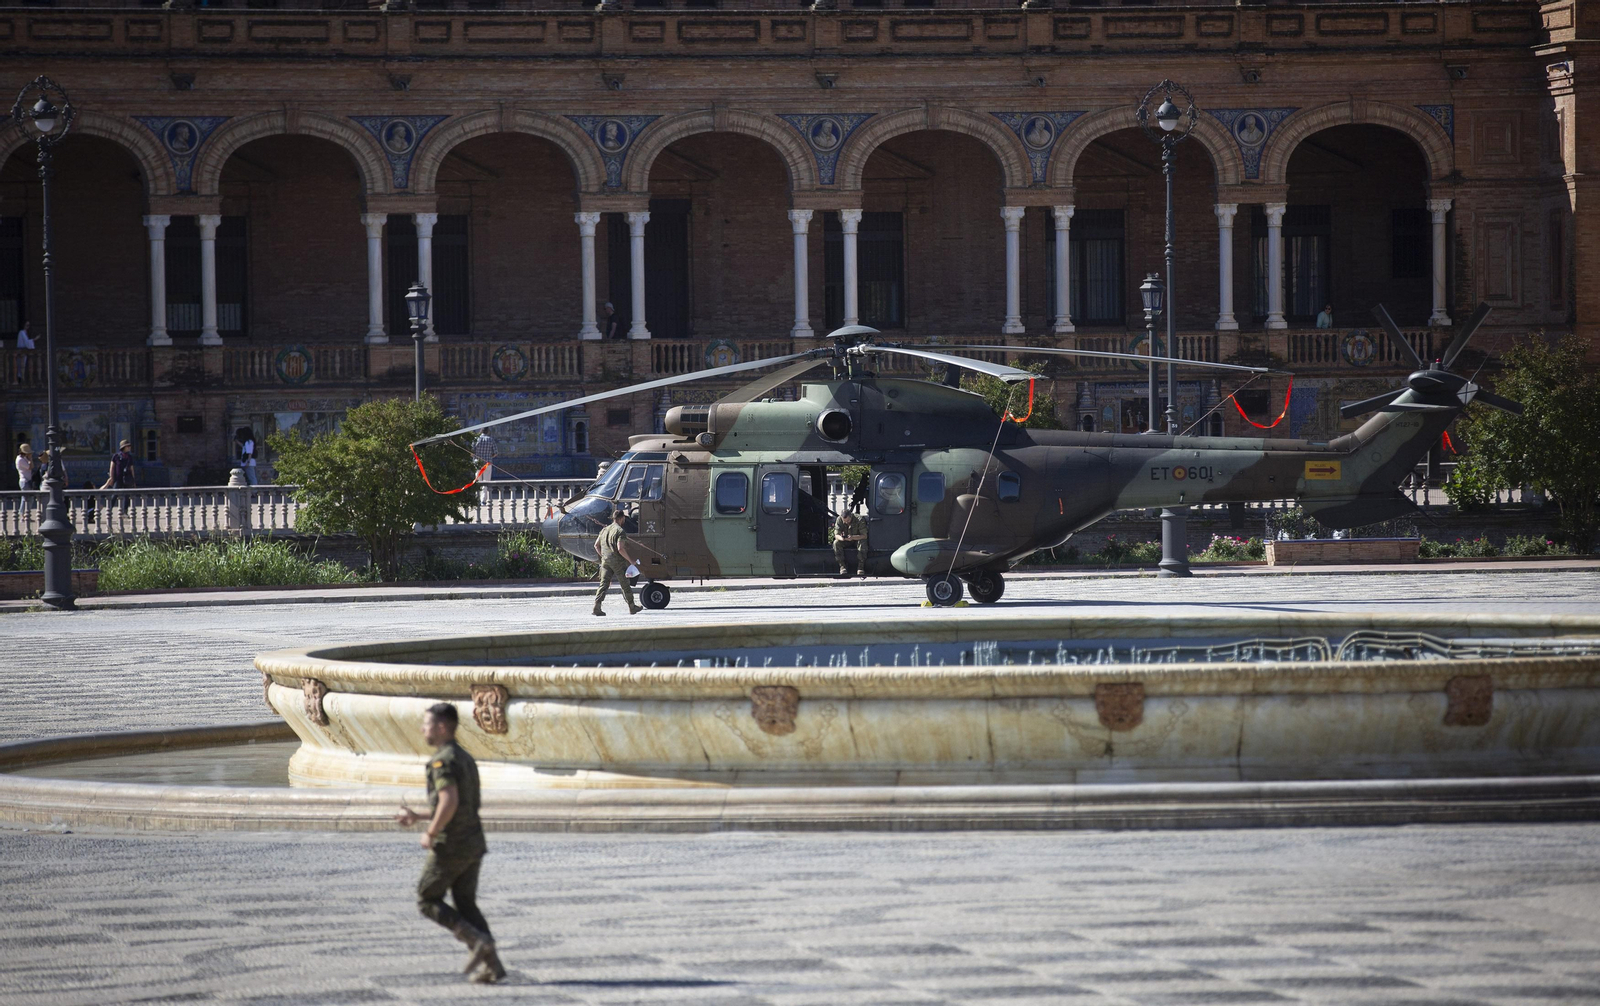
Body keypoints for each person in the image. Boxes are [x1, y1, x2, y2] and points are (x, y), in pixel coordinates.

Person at [394, 703, 505, 985]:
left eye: (427, 724)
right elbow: (457, 805)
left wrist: (430, 833)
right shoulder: (464, 757)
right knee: (466, 903)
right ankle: (493, 966)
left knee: (427, 898)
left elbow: (449, 801)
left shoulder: (442, 761)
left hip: (451, 845)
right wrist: (419, 816)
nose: (422, 729)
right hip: (473, 842)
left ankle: (478, 942)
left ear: (442, 727)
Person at [593, 508, 641, 616]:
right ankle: (632, 606)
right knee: (625, 584)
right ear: (622, 518)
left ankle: (597, 606)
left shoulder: (605, 530)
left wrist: (604, 556)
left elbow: (596, 545)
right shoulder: (620, 531)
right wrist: (631, 561)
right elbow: (620, 548)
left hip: (605, 561)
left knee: (603, 584)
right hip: (618, 562)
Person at [103, 438, 137, 512]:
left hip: (127, 478)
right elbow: (112, 467)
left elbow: (131, 469)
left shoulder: (129, 457)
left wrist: (133, 480)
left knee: (127, 495)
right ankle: (109, 509)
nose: (129, 447)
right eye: (128, 446)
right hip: (118, 478)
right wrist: (111, 478)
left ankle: (125, 511)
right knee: (114, 494)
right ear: (124, 447)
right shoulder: (116, 456)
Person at [834, 505, 868, 577]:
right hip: (845, 540)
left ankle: (860, 567)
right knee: (836, 543)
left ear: (851, 517)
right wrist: (842, 538)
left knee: (863, 542)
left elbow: (864, 535)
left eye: (848, 521)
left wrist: (853, 537)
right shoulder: (839, 519)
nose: (846, 523)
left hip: (856, 539)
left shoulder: (859, 519)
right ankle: (842, 566)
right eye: (844, 521)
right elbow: (836, 535)